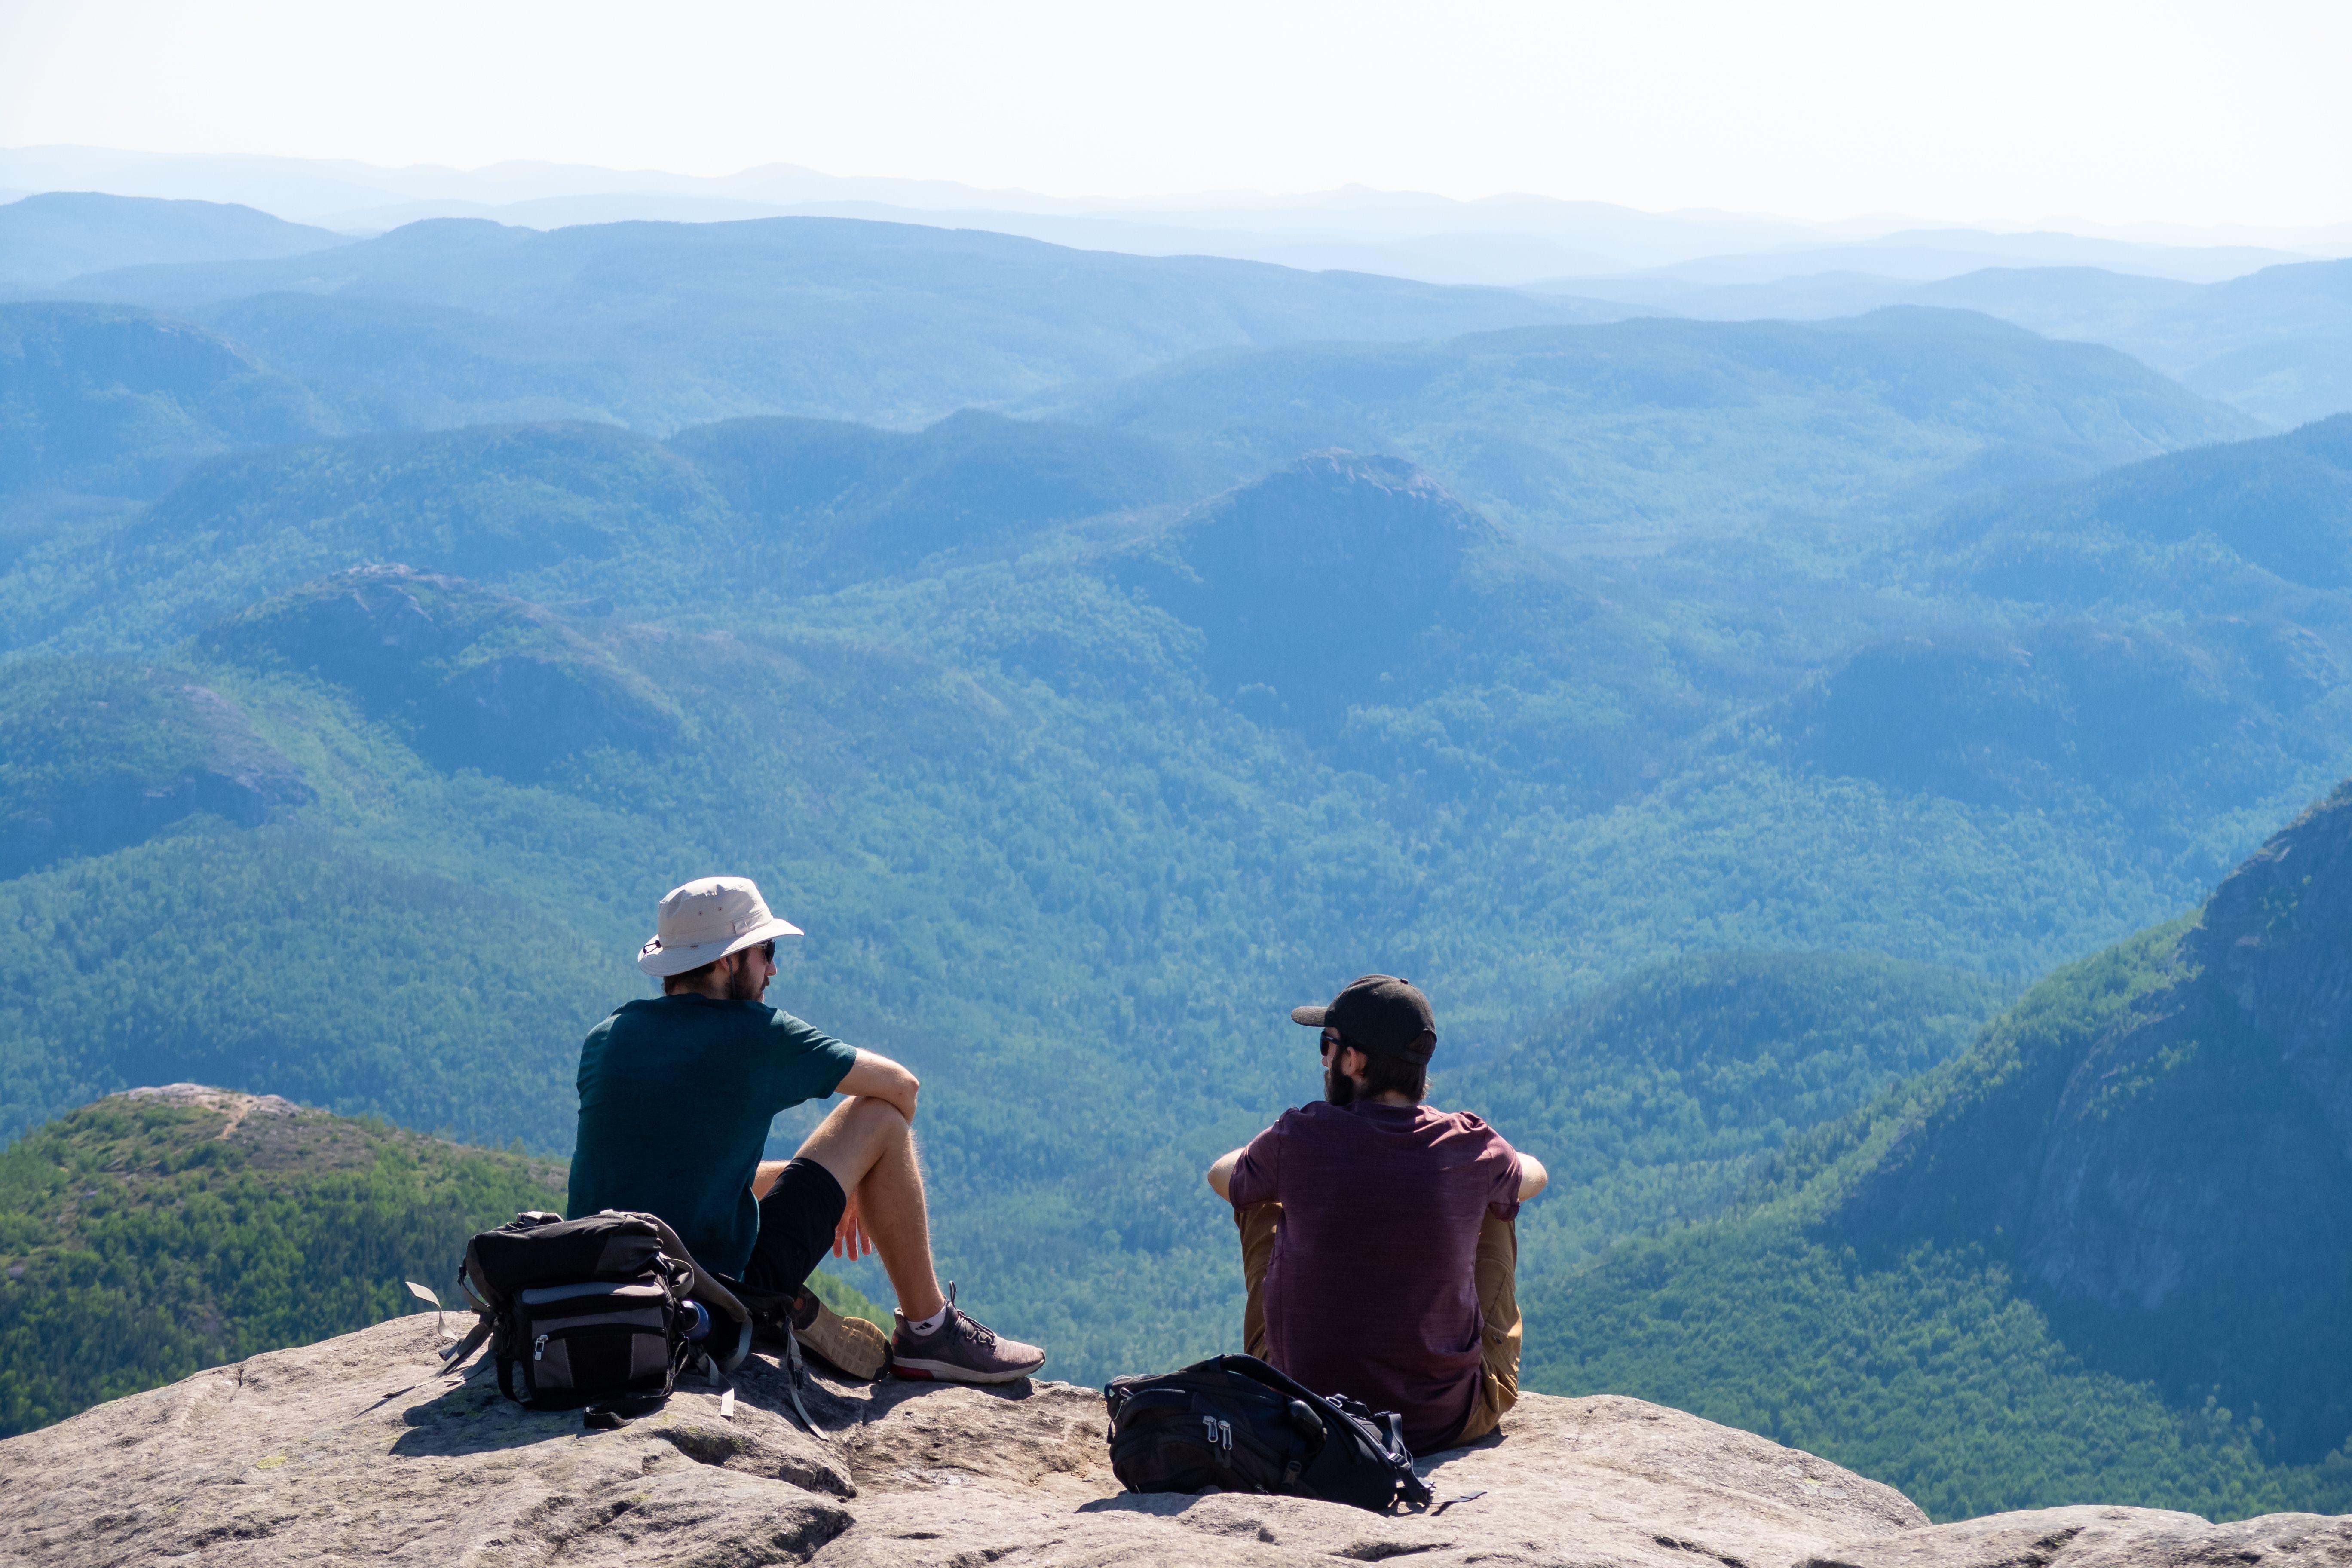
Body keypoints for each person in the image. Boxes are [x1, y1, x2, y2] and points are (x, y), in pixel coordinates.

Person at [567, 874, 1046, 1384]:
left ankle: (788, 1314)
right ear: (727, 961)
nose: (772, 968)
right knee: (878, 1118)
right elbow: (903, 1088)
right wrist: (860, 1175)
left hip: (604, 1290)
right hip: (715, 1295)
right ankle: (929, 1332)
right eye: (765, 950)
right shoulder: (758, 1036)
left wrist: (847, 1182)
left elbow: (683, 1179)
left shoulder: (608, 1037)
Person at [1206, 974, 1546, 1452]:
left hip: (1304, 1412)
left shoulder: (1298, 1138)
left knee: (1259, 1197)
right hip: (1445, 1420)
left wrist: (1286, 1167)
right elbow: (1537, 1176)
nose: (1324, 1061)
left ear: (1355, 1061)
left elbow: (1222, 1175)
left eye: (1328, 1047)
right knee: (1497, 1199)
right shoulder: (1469, 1144)